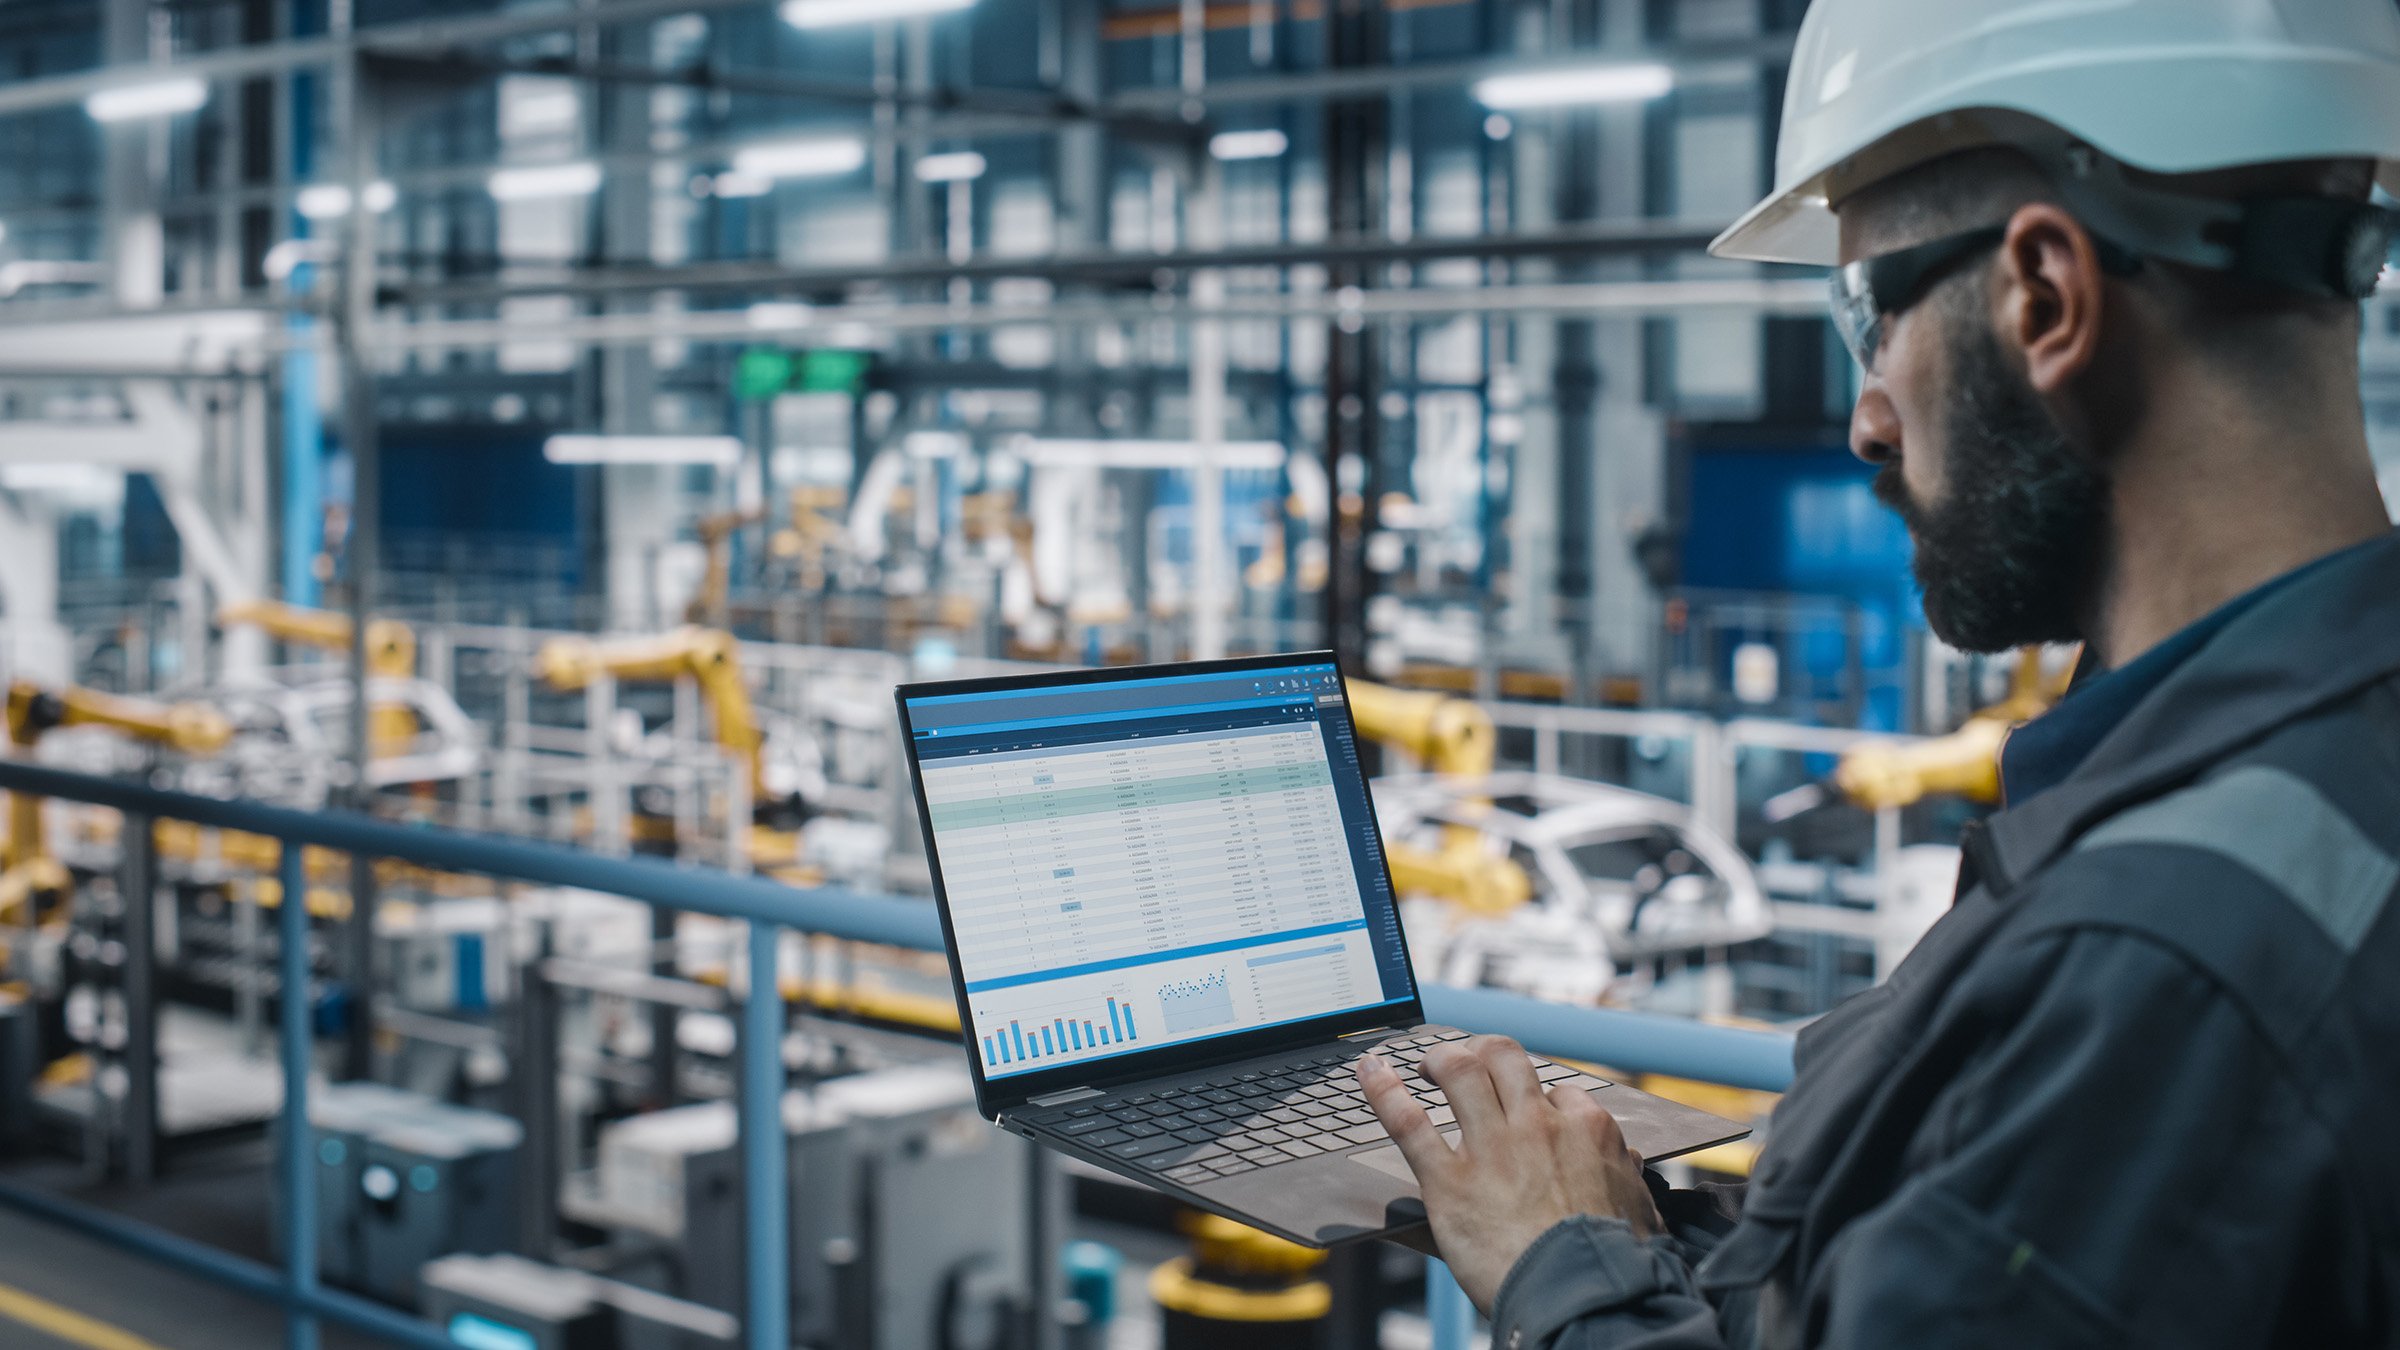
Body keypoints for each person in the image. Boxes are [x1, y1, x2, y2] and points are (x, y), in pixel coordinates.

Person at [1356, 1, 2400, 1345]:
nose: (1865, 420)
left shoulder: (2158, 969)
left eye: (1869, 319)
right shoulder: (2299, 768)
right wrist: (1636, 1241)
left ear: (2046, 295)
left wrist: (1558, 1269)